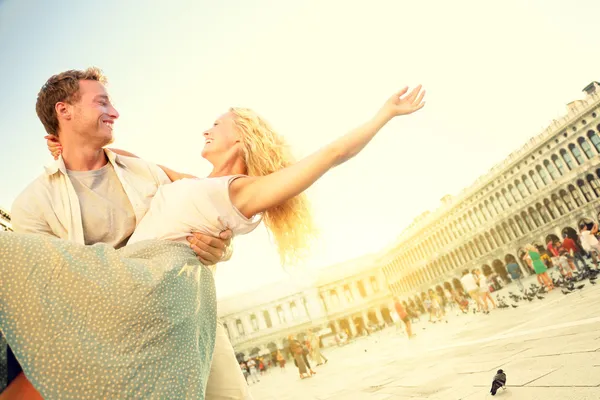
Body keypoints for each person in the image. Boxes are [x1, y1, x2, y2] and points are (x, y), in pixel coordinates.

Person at [1, 67, 426, 398]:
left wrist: (383, 115)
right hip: (111, 322)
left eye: (217, 126)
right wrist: (67, 143)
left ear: (241, 141)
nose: (206, 130)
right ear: (65, 111)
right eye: (103, 103)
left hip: (177, 312)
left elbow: (330, 155)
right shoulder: (179, 181)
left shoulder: (226, 192)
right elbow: (53, 283)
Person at [3, 68, 235, 400]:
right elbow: (50, 300)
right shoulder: (31, 205)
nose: (115, 112)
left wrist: (219, 249)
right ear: (64, 111)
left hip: (190, 324)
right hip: (113, 355)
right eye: (102, 103)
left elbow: (210, 218)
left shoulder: (147, 172)